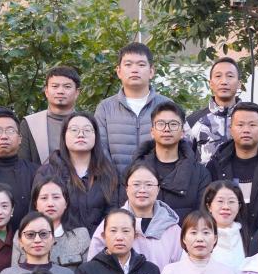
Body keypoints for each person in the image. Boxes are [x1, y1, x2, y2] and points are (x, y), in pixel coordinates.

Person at [207, 102, 258, 234]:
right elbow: (208, 206)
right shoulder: (216, 165)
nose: (246, 130)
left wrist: (257, 238)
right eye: (240, 125)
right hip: (224, 238)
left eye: (252, 125)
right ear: (231, 129)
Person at [95, 42, 174, 171]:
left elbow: (177, 147)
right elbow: (100, 150)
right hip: (116, 182)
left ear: (151, 71)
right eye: (128, 64)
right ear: (119, 71)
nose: (134, 70)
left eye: (141, 65)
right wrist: (114, 180)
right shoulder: (105, 108)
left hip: (159, 181)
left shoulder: (167, 106)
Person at [35, 112, 119, 232]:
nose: (81, 134)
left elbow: (114, 214)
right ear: (64, 135)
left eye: (87, 130)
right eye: (74, 130)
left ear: (96, 136)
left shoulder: (108, 173)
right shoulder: (47, 172)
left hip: (99, 241)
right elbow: (37, 216)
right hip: (58, 241)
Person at [87, 161, 182, 267]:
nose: (142, 190)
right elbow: (94, 266)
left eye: (149, 184)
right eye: (136, 184)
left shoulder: (172, 228)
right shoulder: (111, 223)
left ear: (158, 189)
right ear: (127, 188)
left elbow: (181, 269)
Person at [135, 101, 211, 220]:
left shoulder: (200, 174)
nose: (167, 129)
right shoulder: (135, 171)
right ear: (152, 132)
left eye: (173, 124)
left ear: (182, 133)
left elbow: (202, 218)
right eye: (161, 124)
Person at [18, 65, 83, 165]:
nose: (60, 91)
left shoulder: (87, 124)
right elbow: (23, 164)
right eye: (55, 86)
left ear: (77, 92)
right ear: (46, 91)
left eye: (67, 87)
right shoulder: (30, 123)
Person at [186, 56, 241, 165]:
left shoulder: (250, 119)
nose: (224, 81)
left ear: (239, 84)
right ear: (210, 83)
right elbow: (184, 160)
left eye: (230, 76)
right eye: (218, 76)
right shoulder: (194, 120)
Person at [31, 174, 91, 268]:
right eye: (44, 198)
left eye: (56, 197)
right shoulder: (23, 236)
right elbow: (15, 273)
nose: (50, 203)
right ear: (36, 204)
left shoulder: (81, 236)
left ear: (66, 203)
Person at [203, 181, 251, 269]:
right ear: (209, 206)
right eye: (220, 201)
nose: (226, 207)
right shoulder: (198, 236)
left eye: (231, 201)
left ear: (239, 206)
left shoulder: (248, 237)